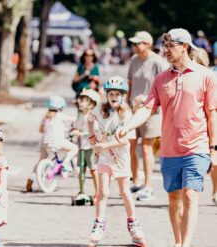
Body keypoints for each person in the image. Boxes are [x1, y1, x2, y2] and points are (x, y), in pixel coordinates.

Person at [117, 28, 217, 247]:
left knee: (191, 194)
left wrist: (214, 149)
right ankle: (178, 240)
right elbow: (147, 108)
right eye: (166, 45)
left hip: (196, 146)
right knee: (174, 198)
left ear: (185, 47)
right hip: (170, 149)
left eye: (171, 46)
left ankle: (185, 244)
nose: (167, 50)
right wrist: (128, 125)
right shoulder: (161, 79)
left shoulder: (206, 76)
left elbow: (212, 114)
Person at [87, 76, 145, 246]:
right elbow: (90, 119)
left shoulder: (127, 114)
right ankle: (98, 224)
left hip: (121, 158)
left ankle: (133, 223)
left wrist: (104, 145)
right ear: (107, 94)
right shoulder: (100, 109)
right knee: (102, 192)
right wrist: (92, 136)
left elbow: (127, 140)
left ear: (123, 96)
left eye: (117, 94)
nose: (114, 97)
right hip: (105, 158)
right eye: (111, 93)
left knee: (125, 192)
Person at [127, 31, 170, 201]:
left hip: (152, 110)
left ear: (147, 44)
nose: (134, 46)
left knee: (146, 147)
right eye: (133, 43)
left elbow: (166, 87)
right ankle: (136, 181)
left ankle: (148, 186)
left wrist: (146, 98)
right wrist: (125, 102)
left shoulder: (158, 63)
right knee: (130, 145)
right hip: (133, 109)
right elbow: (130, 83)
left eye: (138, 43)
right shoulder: (133, 60)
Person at [26, 96, 77, 192]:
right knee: (74, 148)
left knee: (40, 161)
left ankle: (31, 178)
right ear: (61, 107)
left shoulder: (46, 117)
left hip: (45, 143)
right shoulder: (60, 115)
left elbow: (40, 130)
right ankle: (64, 164)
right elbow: (74, 119)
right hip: (57, 141)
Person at [190, 48, 217, 206]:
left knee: (214, 158)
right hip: (197, 123)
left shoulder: (211, 76)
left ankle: (215, 189)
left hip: (212, 119)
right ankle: (191, 191)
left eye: (199, 63)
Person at [71, 89, 101, 201]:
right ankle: (81, 190)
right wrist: (74, 131)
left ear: (91, 104)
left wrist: (84, 133)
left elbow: (96, 130)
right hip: (82, 147)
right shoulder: (80, 115)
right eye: (80, 100)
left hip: (90, 147)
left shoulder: (92, 116)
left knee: (93, 169)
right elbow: (76, 127)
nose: (79, 102)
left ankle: (98, 191)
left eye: (83, 100)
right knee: (81, 170)